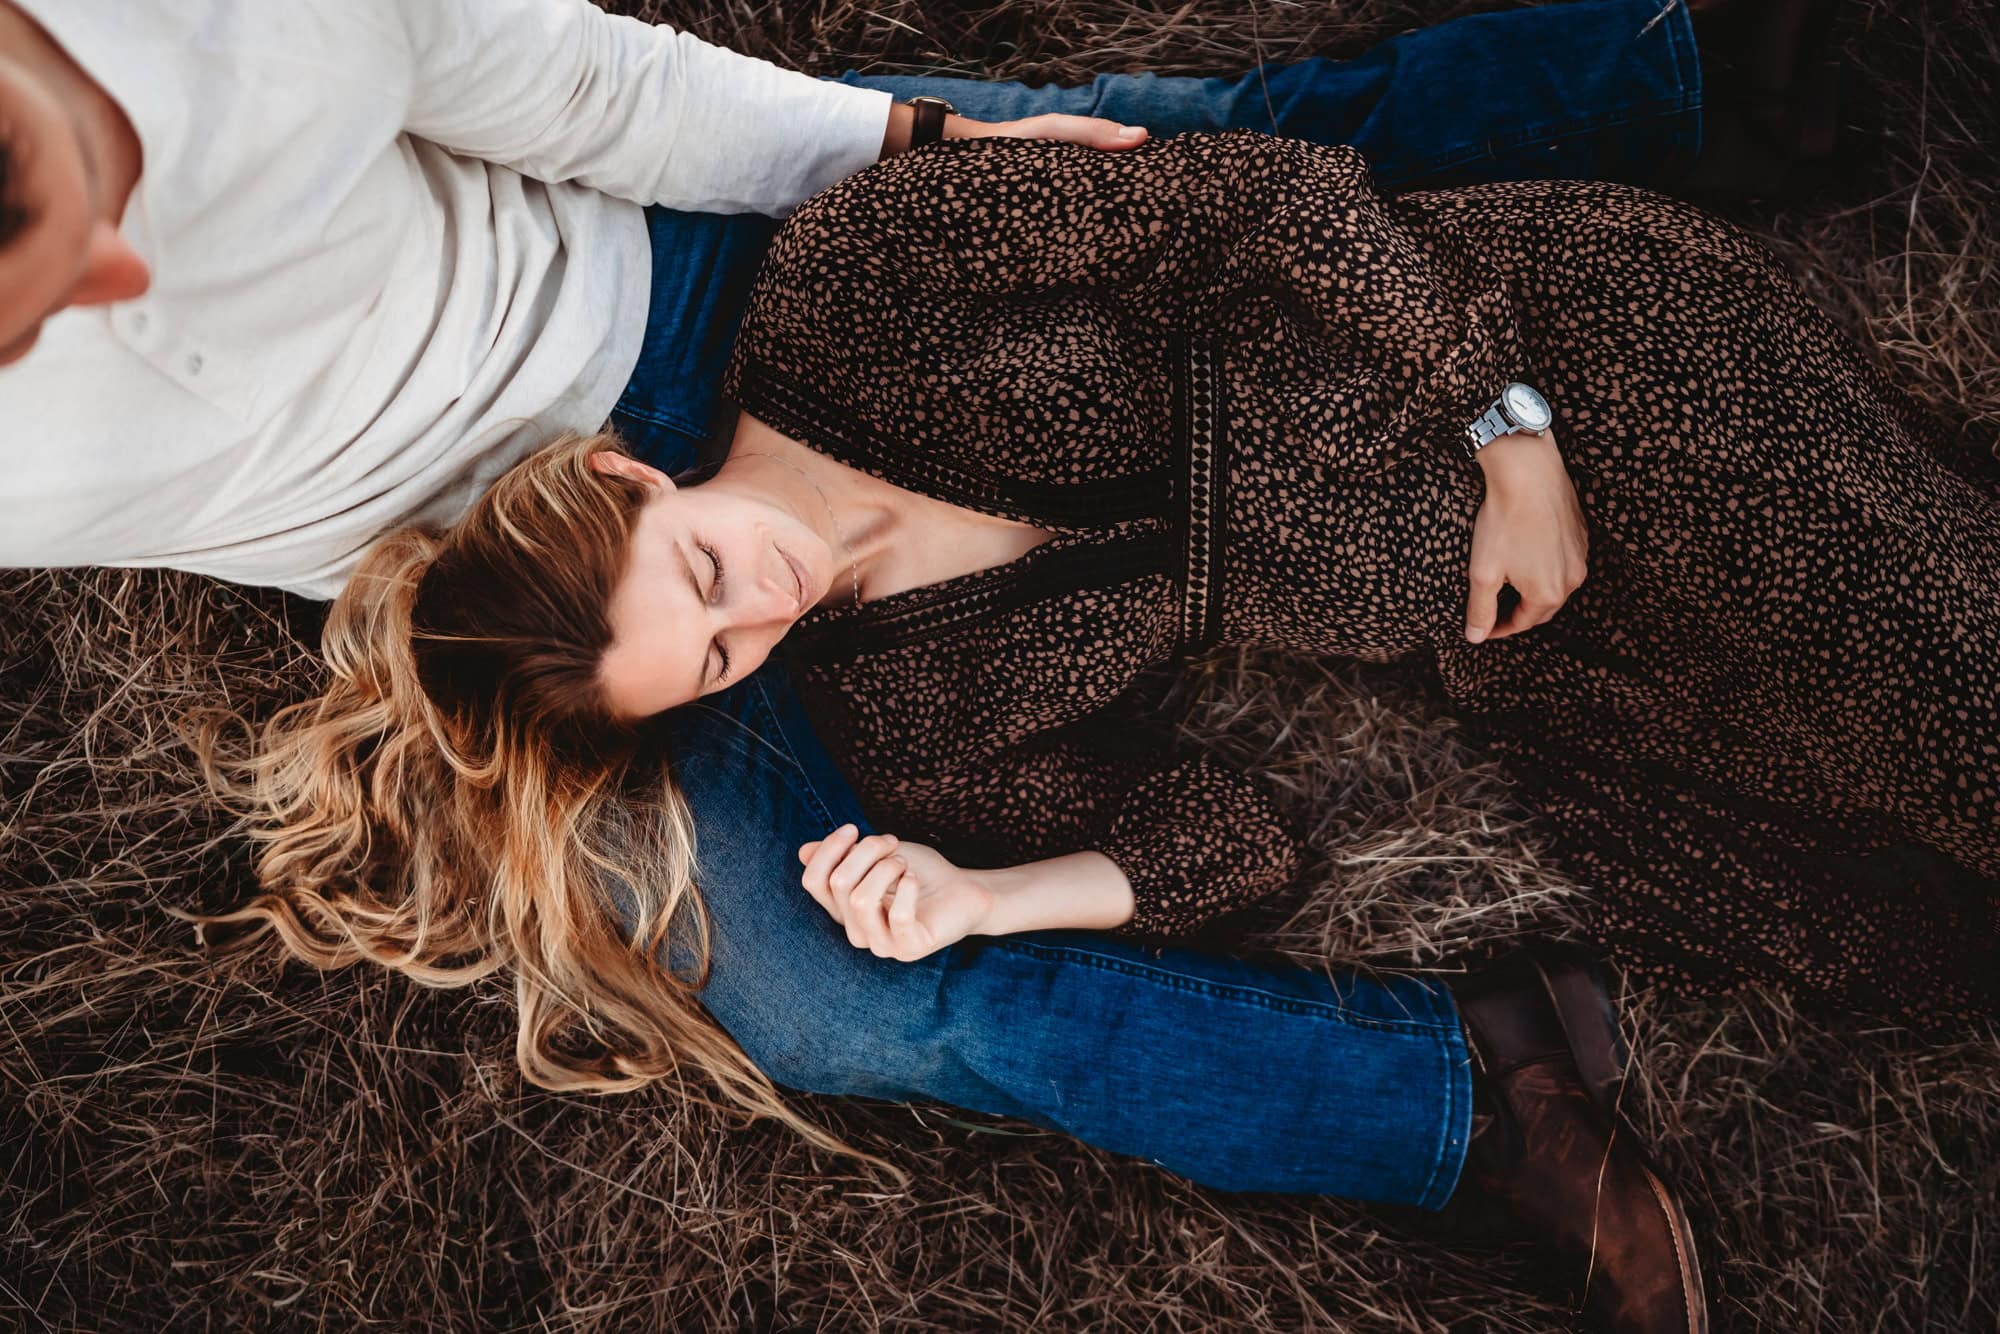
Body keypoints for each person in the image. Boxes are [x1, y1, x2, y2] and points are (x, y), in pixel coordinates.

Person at [0, 1, 1844, 1329]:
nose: (101, 278)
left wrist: (920, 150)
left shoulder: (215, 23)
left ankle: (1682, 64)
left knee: (1165, 155)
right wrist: (966, 866)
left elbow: (576, 81)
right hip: (562, 618)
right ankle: (1481, 1094)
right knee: (841, 996)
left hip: (667, 298)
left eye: (77, 195)